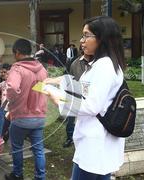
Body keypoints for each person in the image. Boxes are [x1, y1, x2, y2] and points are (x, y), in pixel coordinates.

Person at [44, 16, 126, 180]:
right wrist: (53, 82)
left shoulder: (104, 66)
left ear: (102, 38)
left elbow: (91, 106)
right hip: (98, 141)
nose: (82, 41)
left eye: (86, 35)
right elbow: (86, 88)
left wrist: (57, 97)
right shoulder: (104, 64)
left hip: (94, 143)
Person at [5, 39, 48, 180]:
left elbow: (11, 88)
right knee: (38, 150)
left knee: (17, 147)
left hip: (21, 117)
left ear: (17, 52)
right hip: (39, 116)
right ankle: (40, 177)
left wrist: (13, 105)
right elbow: (43, 89)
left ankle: (17, 175)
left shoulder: (17, 69)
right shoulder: (42, 69)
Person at [63, 53, 90, 148]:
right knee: (71, 119)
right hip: (75, 96)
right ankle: (70, 137)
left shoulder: (98, 64)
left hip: (90, 98)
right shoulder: (75, 64)